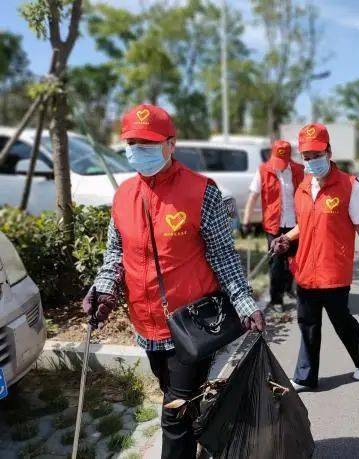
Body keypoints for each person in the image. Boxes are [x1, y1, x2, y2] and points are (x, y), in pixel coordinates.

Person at [82, 104, 265, 459]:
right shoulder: (122, 197)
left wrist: (245, 303)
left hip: (191, 325)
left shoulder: (202, 193)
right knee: (176, 395)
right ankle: (203, 431)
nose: (139, 151)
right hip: (145, 324)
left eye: (148, 144)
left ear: (171, 144)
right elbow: (115, 256)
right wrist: (103, 290)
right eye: (132, 143)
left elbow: (224, 258)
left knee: (173, 416)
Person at [271, 123, 359, 391]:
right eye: (306, 157)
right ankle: (305, 377)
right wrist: (287, 238)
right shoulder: (303, 186)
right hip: (306, 271)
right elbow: (305, 224)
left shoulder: (348, 185)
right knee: (307, 324)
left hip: (334, 272)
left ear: (329, 152)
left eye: (316, 155)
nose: (311, 162)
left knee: (343, 321)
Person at [242, 140, 304, 311]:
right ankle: (277, 299)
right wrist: (246, 221)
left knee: (295, 261)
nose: (282, 167)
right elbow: (253, 196)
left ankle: (289, 288)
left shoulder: (299, 170)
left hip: (295, 225)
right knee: (276, 264)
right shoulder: (263, 170)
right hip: (274, 225)